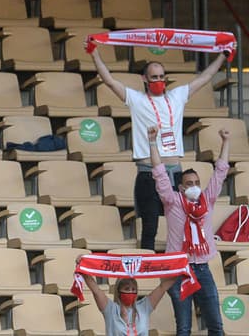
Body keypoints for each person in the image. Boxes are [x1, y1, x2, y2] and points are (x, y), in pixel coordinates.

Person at [89, 46, 225, 251]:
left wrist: (223, 55)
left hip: (176, 173)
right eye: (154, 77)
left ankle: (182, 264)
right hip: (148, 172)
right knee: (150, 227)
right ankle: (147, 266)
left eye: (162, 76)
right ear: (144, 79)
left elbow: (205, 77)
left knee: (182, 223)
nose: (159, 80)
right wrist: (94, 54)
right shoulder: (137, 99)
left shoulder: (177, 96)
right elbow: (109, 80)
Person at [150, 124, 231, 336]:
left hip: (203, 268)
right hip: (178, 270)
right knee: (184, 328)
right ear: (181, 187)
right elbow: (159, 174)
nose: (194, 186)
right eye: (189, 183)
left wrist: (226, 141)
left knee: (216, 326)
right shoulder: (172, 201)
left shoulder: (207, 199)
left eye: (197, 182)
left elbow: (221, 171)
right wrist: (152, 142)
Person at [78, 265, 176, 336]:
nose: (130, 292)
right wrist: (82, 265)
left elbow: (162, 287)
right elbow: (96, 290)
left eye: (133, 289)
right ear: (118, 291)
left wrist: (181, 267)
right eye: (127, 289)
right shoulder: (110, 309)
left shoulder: (144, 307)